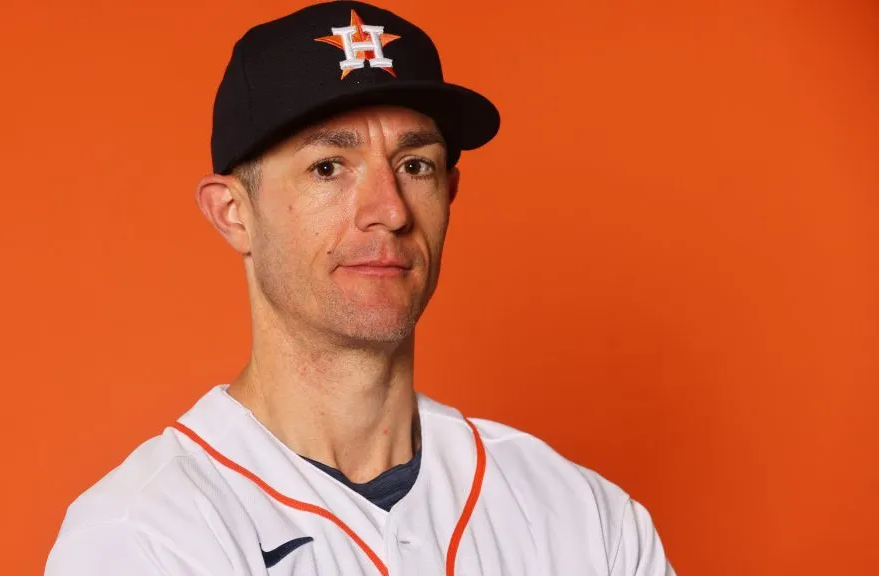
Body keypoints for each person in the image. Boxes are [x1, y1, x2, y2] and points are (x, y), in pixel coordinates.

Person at [45, 2, 674, 574]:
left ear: (449, 194)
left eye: (415, 165)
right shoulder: (146, 537)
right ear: (234, 214)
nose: (390, 211)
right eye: (328, 168)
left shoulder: (585, 517)